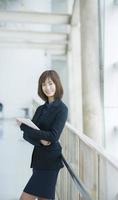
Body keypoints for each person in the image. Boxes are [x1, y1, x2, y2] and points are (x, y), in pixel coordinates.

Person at [17, 70, 68, 200]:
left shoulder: (62, 109)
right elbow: (27, 136)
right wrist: (40, 140)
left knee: (25, 198)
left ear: (57, 84)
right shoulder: (40, 109)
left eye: (50, 83)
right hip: (38, 160)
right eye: (43, 84)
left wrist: (24, 127)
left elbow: (53, 137)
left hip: (50, 162)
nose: (47, 87)